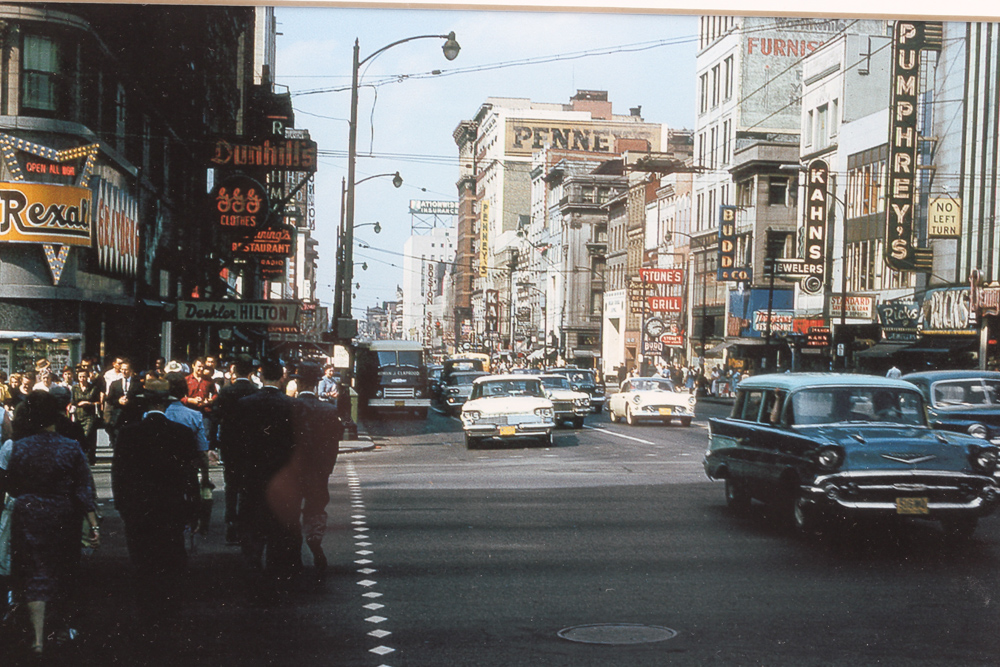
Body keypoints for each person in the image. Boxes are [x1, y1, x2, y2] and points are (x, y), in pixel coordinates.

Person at [3, 391, 99, 655]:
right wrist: (93, 524)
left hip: (29, 511)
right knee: (61, 567)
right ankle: (59, 628)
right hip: (62, 512)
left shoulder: (20, 446)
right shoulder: (70, 446)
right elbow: (83, 489)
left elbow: (10, 483)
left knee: (33, 569)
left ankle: (36, 638)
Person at [112, 379, 200, 622]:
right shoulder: (181, 433)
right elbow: (189, 475)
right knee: (171, 553)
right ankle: (169, 604)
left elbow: (118, 473)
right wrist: (194, 509)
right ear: (166, 403)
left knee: (141, 556)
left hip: (138, 506)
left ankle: (146, 605)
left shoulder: (129, 433)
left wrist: (122, 505)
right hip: (171, 505)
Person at [229, 359, 301, 596]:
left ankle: (253, 572)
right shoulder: (291, 405)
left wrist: (237, 474)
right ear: (282, 377)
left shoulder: (244, 404)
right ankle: (276, 575)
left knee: (252, 526)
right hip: (282, 478)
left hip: (252, 477)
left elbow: (235, 443)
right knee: (279, 529)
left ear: (260, 377)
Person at [292, 363, 343, 574]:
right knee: (315, 510)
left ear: (299, 382)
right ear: (315, 383)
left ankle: (293, 554)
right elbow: (334, 443)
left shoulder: (289, 407)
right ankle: (315, 545)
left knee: (290, 512)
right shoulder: (329, 410)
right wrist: (326, 469)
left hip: (292, 472)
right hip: (318, 472)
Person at [215, 356, 259, 545]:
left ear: (235, 372)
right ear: (251, 373)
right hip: (251, 446)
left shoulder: (226, 392)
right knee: (248, 487)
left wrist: (213, 445)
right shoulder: (255, 391)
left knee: (231, 486)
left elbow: (216, 417)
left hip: (230, 445)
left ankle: (230, 523)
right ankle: (245, 525)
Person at [103, 358, 142, 448]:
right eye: (122, 369)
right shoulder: (115, 384)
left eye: (126, 369)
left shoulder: (137, 384)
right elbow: (109, 399)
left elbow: (140, 399)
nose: (124, 371)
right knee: (117, 441)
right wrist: (118, 401)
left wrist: (130, 402)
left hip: (132, 416)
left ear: (131, 370)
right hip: (118, 416)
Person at [71, 365, 102, 466]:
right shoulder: (74, 388)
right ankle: (84, 457)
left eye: (84, 376)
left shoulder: (93, 388)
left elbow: (98, 401)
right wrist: (77, 404)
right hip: (78, 414)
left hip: (90, 415)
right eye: (80, 377)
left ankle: (89, 457)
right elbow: (72, 401)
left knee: (87, 435)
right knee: (80, 436)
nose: (82, 379)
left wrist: (90, 403)